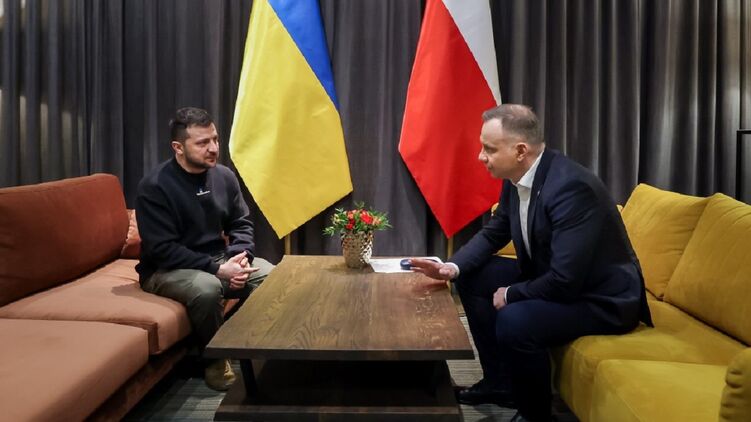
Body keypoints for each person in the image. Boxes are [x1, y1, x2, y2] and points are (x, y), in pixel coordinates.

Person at [410, 104, 652, 422]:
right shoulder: (518, 177)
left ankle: (534, 414)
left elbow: (565, 280)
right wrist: (451, 268)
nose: (481, 157)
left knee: (515, 320)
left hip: (601, 298)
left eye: (489, 149)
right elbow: (495, 232)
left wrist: (512, 294)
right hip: (559, 279)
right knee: (473, 275)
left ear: (520, 151)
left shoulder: (571, 188)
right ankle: (500, 384)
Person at [136, 107, 273, 391]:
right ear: (178, 147)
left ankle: (261, 349)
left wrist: (241, 257)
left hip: (219, 259)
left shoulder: (224, 176)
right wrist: (218, 269)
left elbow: (241, 223)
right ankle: (215, 359)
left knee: (273, 277)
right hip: (167, 269)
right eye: (202, 143)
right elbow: (162, 249)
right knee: (207, 288)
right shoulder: (155, 186)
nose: (213, 148)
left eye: (215, 139)